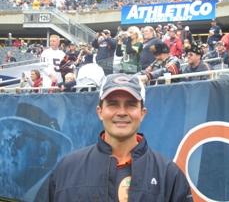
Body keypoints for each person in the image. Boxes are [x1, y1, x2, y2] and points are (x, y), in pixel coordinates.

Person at [44, 73, 192, 201]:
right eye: (113, 104)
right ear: (100, 112)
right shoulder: (67, 168)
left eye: (131, 104)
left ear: (142, 113)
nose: (121, 112)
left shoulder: (169, 174)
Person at [0, 99, 72, 202]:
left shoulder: (54, 193)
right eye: (10, 139)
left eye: (19, 140)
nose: (11, 151)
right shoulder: (37, 192)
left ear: (43, 151)